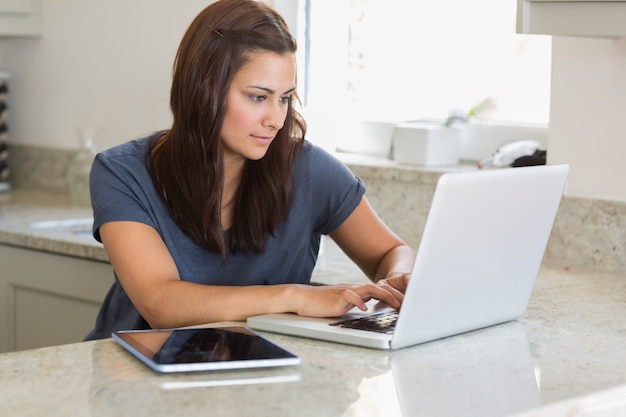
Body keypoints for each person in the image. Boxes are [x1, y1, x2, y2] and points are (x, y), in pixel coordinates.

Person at [84, 0, 415, 340]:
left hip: (263, 380)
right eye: (258, 97)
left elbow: (392, 252)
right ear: (204, 90)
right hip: (136, 380)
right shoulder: (122, 173)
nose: (276, 119)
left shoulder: (309, 169)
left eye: (285, 98)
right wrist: (295, 296)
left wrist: (398, 278)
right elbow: (161, 303)